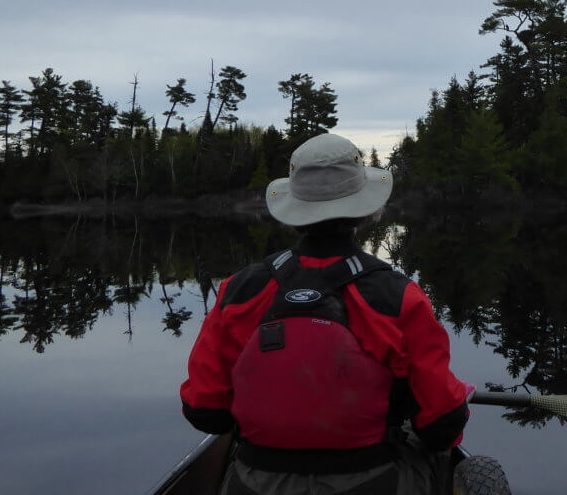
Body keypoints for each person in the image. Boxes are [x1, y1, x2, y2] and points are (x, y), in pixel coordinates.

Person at [180, 132, 471, 495]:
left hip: (255, 484)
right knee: (438, 449)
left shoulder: (239, 290)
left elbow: (205, 411)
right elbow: (443, 426)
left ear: (295, 210)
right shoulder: (399, 297)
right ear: (364, 211)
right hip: (372, 482)